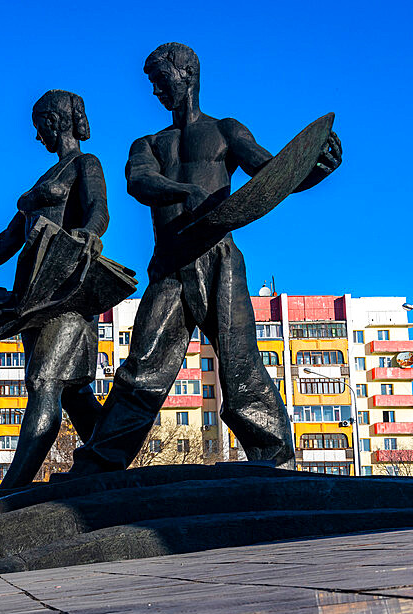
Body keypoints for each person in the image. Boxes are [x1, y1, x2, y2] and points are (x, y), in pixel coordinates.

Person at [63, 43, 341, 476]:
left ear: (186, 73)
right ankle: (99, 464)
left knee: (240, 365)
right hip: (172, 266)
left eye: (160, 79)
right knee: (143, 370)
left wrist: (316, 168)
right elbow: (139, 182)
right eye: (151, 82)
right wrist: (184, 191)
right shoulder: (150, 143)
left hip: (219, 261)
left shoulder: (227, 131)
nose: (155, 90)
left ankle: (278, 463)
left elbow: (271, 175)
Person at [0, 90, 112, 488]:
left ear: (56, 121)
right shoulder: (45, 178)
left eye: (40, 128)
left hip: (65, 293)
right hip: (34, 300)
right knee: (73, 395)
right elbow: (9, 238)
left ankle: (14, 486)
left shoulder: (85, 163)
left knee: (43, 384)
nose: (38, 138)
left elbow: (98, 210)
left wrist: (89, 234)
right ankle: (110, 459)